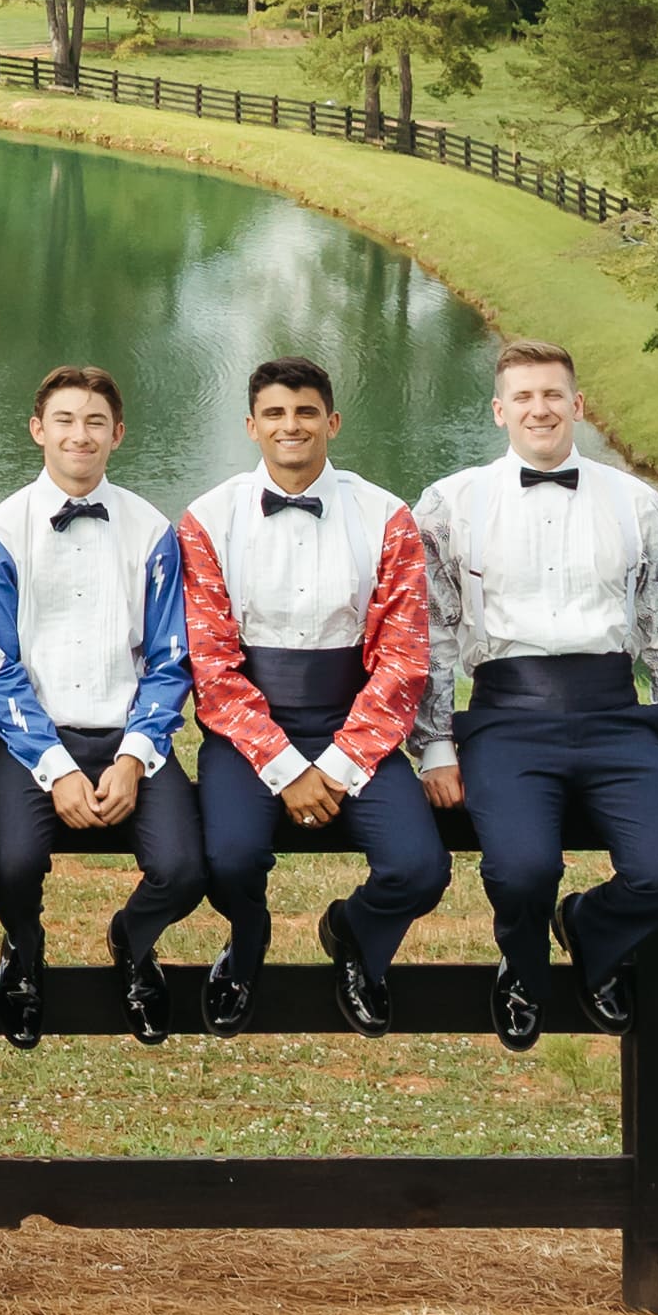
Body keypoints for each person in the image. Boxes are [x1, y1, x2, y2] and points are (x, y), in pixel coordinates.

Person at [414, 335, 658, 1046]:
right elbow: (430, 633)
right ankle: (521, 965)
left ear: (576, 405)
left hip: (614, 711)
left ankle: (592, 933)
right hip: (506, 716)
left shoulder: (637, 502)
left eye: (552, 395)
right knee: (520, 869)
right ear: (498, 411)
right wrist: (434, 746)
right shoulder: (449, 503)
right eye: (523, 397)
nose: (539, 409)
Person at [181, 353, 446, 1033]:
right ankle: (245, 948)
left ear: (331, 421)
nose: (290, 426)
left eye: (305, 412)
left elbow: (404, 659)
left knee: (420, 868)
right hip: (247, 728)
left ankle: (359, 938)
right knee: (230, 858)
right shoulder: (207, 519)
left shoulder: (387, 515)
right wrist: (284, 767)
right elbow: (210, 667)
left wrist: (332, 768)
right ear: (250, 426)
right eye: (274, 413)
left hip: (353, 721)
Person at [0, 363, 199, 1047]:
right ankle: (24, 948)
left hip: (132, 737)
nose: (80, 435)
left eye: (95, 422)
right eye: (64, 420)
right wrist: (57, 768)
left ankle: (133, 939)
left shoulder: (154, 531)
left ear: (118, 434)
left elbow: (170, 659)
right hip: (33, 740)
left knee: (184, 871)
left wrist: (132, 758)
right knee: (6, 863)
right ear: (38, 429)